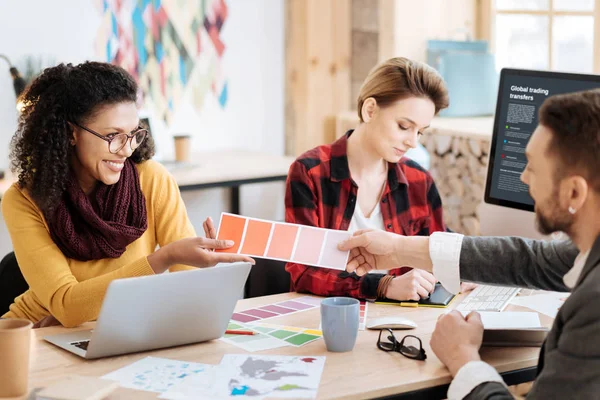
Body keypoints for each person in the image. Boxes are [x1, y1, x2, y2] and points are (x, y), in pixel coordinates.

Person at [338, 89, 600, 399]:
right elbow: (531, 259)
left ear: (574, 193)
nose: (524, 178)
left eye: (531, 166)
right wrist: (397, 249)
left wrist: (462, 357)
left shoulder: (593, 307)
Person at [1, 62, 253, 328]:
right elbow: (66, 305)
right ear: (71, 132)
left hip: (119, 327)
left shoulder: (151, 179)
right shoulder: (24, 201)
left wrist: (200, 266)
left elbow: (187, 289)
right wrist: (164, 258)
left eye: (133, 134)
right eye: (113, 135)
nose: (127, 150)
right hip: (35, 331)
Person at [283, 57, 459, 302]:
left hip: (404, 323)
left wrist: (465, 272)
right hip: (328, 320)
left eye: (420, 131)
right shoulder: (310, 172)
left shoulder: (419, 180)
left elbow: (441, 253)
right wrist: (383, 285)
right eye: (403, 126)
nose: (413, 142)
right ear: (370, 110)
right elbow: (303, 273)